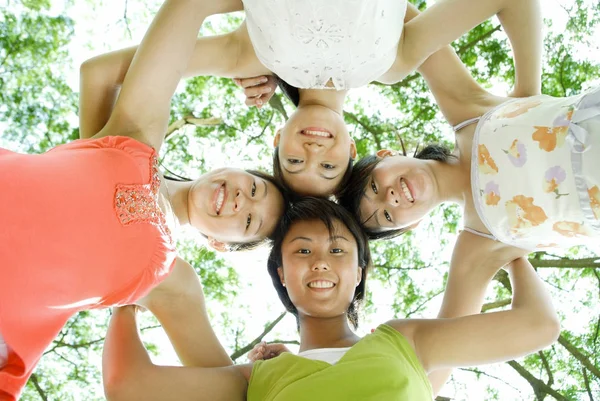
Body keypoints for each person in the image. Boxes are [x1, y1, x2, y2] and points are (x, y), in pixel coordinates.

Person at [0, 1, 286, 399]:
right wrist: (240, 54)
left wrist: (279, 369)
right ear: (233, 168)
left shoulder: (174, 281)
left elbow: (233, 390)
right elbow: (189, 7)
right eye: (254, 188)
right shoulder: (133, 136)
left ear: (220, 245)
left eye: (249, 222)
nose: (242, 200)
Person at [102, 198, 560, 400]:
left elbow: (537, 325)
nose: (320, 261)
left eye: (338, 250)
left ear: (358, 271)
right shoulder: (258, 377)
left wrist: (512, 257)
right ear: (282, 274)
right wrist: (128, 301)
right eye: (302, 251)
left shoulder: (404, 341)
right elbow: (129, 385)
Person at [83, 0, 541, 197]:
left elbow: (101, 72)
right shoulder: (395, 64)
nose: (313, 151)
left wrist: (104, 175)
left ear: (279, 137)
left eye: (295, 162)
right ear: (353, 150)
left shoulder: (245, 54)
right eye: (329, 166)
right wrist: (527, 99)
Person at [336, 2, 599, 258]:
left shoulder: (468, 112)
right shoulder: (481, 239)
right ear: (409, 227)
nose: (389, 198)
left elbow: (390, 9)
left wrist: (527, 99)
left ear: (386, 153)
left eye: (373, 186)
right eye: (387, 216)